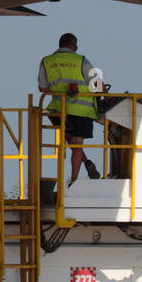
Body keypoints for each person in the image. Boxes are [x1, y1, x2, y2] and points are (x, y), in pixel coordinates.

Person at [38, 33, 102, 184]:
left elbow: (42, 88)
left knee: (70, 141)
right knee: (77, 145)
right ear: (73, 46)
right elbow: (98, 86)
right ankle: (74, 180)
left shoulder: (47, 61)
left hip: (59, 110)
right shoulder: (81, 60)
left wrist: (60, 91)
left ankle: (86, 163)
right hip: (81, 110)